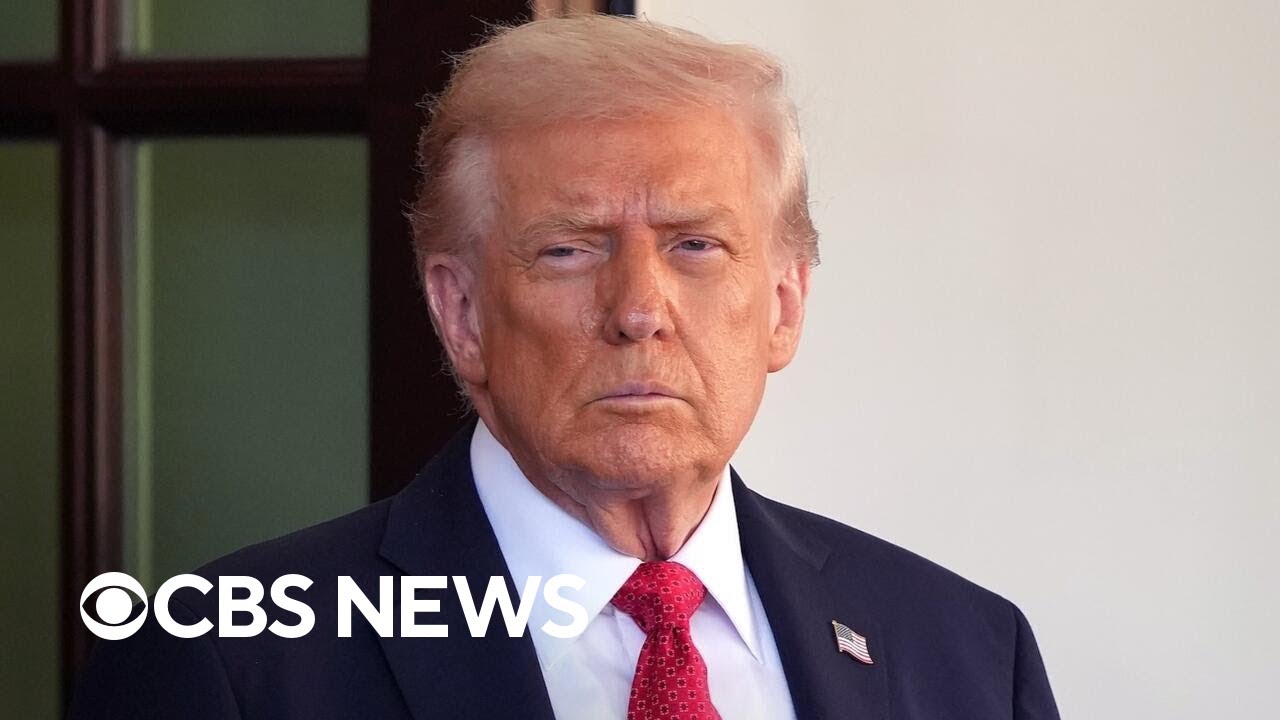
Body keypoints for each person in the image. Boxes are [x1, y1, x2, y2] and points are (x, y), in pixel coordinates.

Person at [71, 15, 1060, 720]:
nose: (638, 311)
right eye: (568, 249)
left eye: (695, 246)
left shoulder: (966, 651)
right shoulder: (227, 664)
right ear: (461, 312)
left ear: (783, 305)